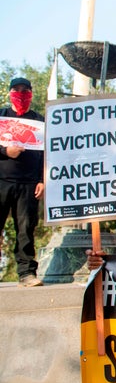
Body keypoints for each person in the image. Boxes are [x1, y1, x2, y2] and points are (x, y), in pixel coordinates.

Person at [0, 78, 45, 287]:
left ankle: (27, 273)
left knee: (26, 230)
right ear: (10, 93)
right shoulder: (1, 116)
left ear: (31, 93)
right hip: (2, 181)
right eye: (16, 90)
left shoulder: (39, 121)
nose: (20, 94)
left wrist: (42, 180)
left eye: (25, 90)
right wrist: (6, 151)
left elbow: (48, 153)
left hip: (29, 184)